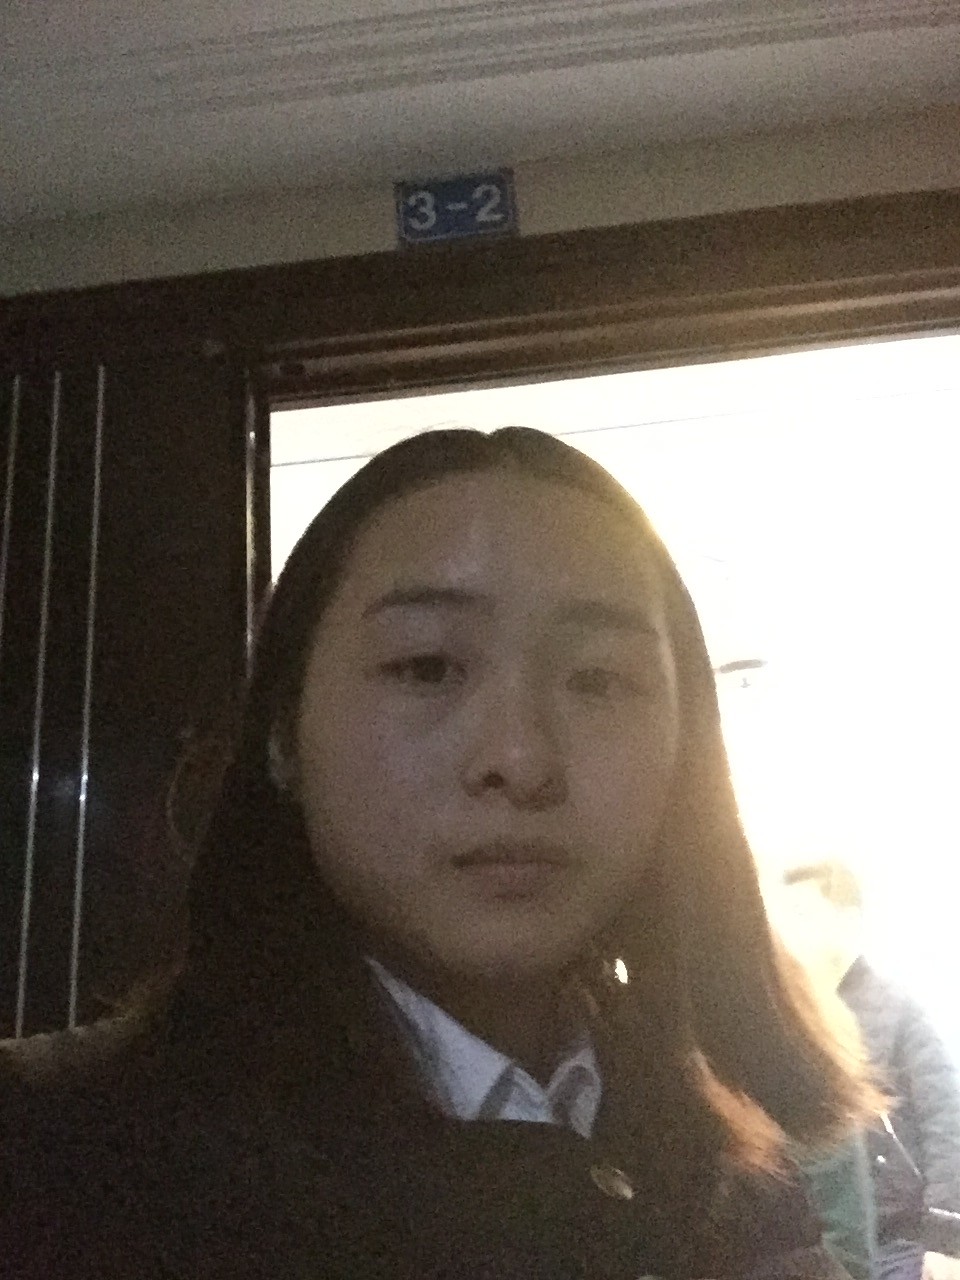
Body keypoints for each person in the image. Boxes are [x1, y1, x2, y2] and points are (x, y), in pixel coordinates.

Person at [1, 427, 880, 1280]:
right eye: (427, 667)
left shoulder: (733, 1149)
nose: (521, 759)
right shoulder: (61, 1159)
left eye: (599, 679)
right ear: (282, 733)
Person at [780, 861, 960, 1280]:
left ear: (847, 920)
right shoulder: (790, 1020)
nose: (786, 931)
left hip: (899, 1240)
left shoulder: (898, 1010)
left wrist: (945, 1240)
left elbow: (946, 1121)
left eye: (802, 913)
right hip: (822, 1242)